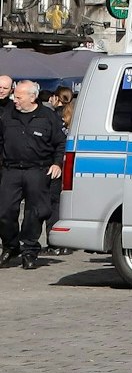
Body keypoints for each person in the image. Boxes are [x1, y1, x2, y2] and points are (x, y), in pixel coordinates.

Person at [0, 80, 60, 269]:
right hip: (11, 170)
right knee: (4, 211)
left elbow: (60, 143)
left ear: (32, 97)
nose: (14, 100)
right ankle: (11, 245)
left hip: (38, 170)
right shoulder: (6, 115)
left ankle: (30, 250)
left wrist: (57, 164)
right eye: (14, 96)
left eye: (18, 97)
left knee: (35, 212)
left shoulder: (47, 116)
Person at [40, 86, 77, 256]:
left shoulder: (53, 117)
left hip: (56, 166)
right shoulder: (76, 114)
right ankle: (67, 242)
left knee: (53, 204)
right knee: (65, 205)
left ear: (56, 98)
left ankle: (54, 242)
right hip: (73, 166)